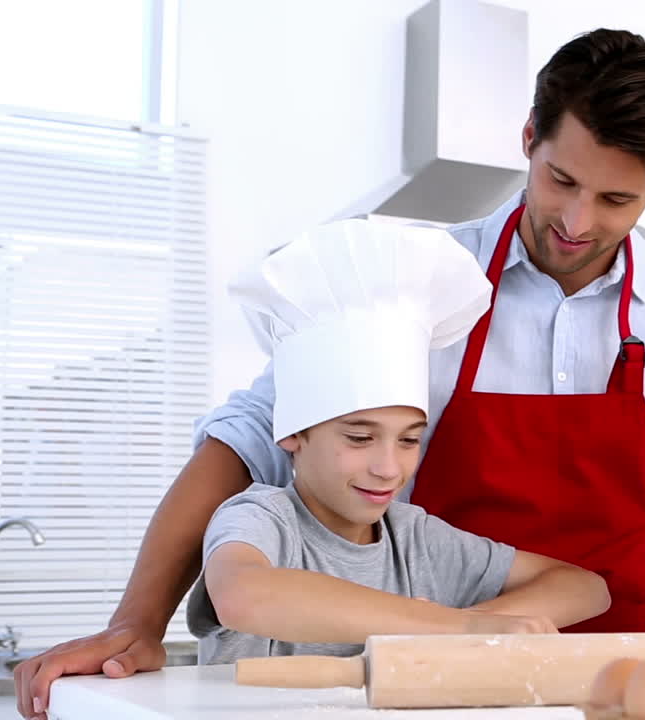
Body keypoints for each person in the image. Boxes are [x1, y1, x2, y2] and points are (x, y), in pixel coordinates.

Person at [15, 27, 645, 719]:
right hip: (430, 678)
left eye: (615, 199)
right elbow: (243, 446)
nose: (576, 222)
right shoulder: (411, 281)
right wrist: (137, 623)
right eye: (560, 180)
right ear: (529, 139)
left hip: (617, 677)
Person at [188, 219, 609, 663]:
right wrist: (458, 626)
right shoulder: (261, 520)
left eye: (409, 440)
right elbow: (244, 595)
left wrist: (472, 629)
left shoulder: (413, 539)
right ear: (293, 432)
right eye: (359, 437)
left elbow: (584, 587)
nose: (388, 468)